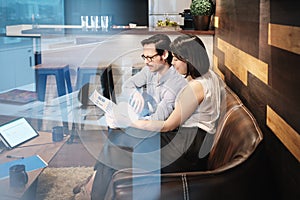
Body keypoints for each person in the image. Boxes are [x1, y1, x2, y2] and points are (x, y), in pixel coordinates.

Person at [74, 34, 223, 199]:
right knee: (118, 137)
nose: (173, 63)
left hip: (187, 149)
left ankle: (92, 190)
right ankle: (94, 183)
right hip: (191, 140)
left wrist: (130, 121)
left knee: (116, 145)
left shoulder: (195, 87)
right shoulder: (210, 76)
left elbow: (167, 125)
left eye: (177, 59)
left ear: (189, 59)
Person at [122, 33, 187, 120]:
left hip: (166, 129)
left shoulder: (175, 82)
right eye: (144, 57)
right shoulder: (149, 70)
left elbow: (159, 119)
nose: (146, 62)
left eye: (150, 57)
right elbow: (127, 85)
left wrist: (130, 120)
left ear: (164, 54)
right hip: (150, 122)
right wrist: (135, 94)